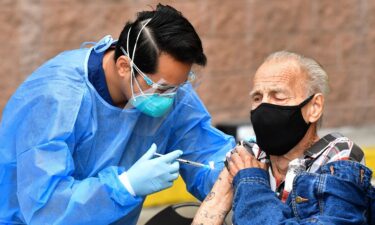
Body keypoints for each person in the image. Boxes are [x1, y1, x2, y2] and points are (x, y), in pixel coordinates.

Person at [0, 4, 235, 225]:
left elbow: (205, 154)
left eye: (179, 87)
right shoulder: (56, 97)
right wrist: (125, 187)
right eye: (163, 88)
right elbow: (45, 208)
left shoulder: (169, 89)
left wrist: (243, 172)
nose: (171, 98)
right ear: (124, 66)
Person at [192, 51, 375, 225]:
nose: (264, 107)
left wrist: (252, 183)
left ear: (314, 107)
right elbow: (210, 214)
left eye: (278, 97)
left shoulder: (338, 159)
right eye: (257, 98)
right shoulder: (248, 156)